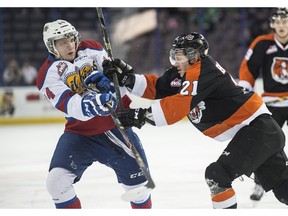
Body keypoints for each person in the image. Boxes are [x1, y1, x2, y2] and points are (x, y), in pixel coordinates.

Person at [101, 32, 288, 208]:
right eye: (174, 55)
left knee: (217, 175)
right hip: (257, 133)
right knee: (284, 191)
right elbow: (157, 87)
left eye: (179, 56)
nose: (175, 61)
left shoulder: (203, 70)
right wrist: (126, 78)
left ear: (194, 56)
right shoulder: (183, 71)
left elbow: (180, 105)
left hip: (259, 130)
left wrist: (140, 115)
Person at [35, 19, 152, 209]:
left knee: (139, 191)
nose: (70, 45)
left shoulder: (92, 49)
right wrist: (97, 100)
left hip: (114, 129)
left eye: (71, 39)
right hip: (80, 135)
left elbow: (117, 87)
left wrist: (113, 77)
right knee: (56, 183)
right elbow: (71, 105)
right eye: (62, 42)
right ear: (51, 46)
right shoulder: (47, 74)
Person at [238, 7, 288, 201]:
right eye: (278, 22)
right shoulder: (262, 43)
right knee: (265, 146)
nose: (282, 26)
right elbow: (248, 70)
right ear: (272, 24)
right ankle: (260, 183)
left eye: (285, 22)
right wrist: (244, 93)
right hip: (271, 103)